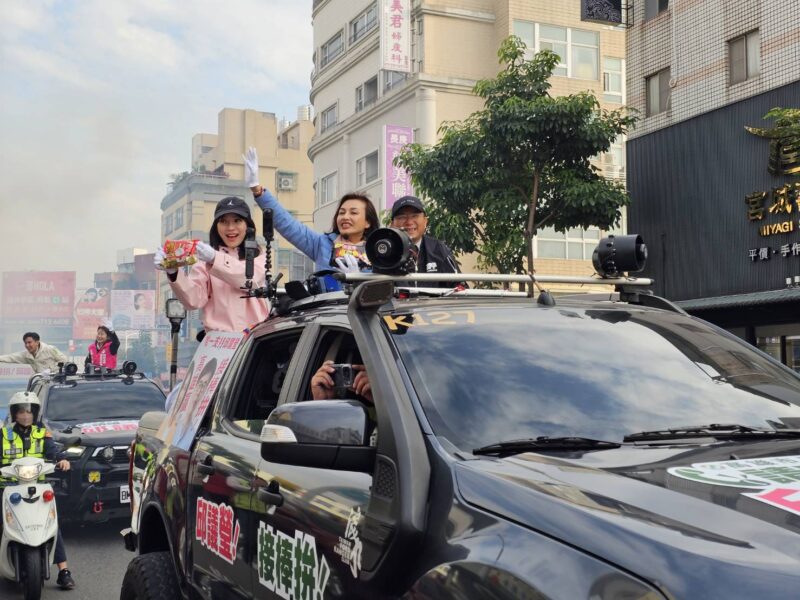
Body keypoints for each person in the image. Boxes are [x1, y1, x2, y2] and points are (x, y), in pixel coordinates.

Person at [244, 147, 379, 292]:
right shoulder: (322, 244)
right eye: (342, 212)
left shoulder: (378, 251)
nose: (345, 217)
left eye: (353, 213)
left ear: (368, 222)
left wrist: (359, 280)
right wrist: (258, 191)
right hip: (327, 306)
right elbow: (287, 223)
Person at [153, 196, 269, 333]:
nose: (230, 228)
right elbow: (194, 300)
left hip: (255, 338)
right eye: (223, 221)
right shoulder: (205, 261)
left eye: (237, 220)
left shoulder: (259, 256)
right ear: (216, 227)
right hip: (219, 339)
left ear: (248, 226)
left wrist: (215, 258)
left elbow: (250, 279)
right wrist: (173, 272)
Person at [0, 392, 75, 589]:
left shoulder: (42, 433)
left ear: (34, 413)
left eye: (29, 411)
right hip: (8, 486)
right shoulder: (4, 434)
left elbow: (53, 451)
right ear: (14, 414)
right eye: (21, 411)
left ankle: (64, 571)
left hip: (37, 487)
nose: (26, 415)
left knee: (51, 524)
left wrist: (62, 460)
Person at [390, 195, 461, 287]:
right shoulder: (385, 251)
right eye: (402, 217)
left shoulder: (438, 249)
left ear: (425, 221)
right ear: (392, 224)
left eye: (415, 216)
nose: (409, 222)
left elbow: (459, 286)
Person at [0, 332, 67, 373]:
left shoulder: (50, 349)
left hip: (57, 379)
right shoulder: (26, 355)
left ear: (37, 342)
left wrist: (51, 370)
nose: (27, 345)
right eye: (25, 343)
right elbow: (11, 357)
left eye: (29, 342)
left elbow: (64, 360)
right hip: (41, 381)